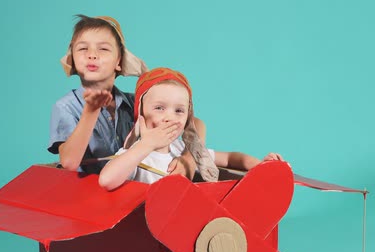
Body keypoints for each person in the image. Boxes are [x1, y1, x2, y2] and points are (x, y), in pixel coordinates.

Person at [48, 15, 201, 176]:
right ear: (73, 57)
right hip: (89, 193)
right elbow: (69, 163)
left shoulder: (134, 101)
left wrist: (189, 157)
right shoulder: (66, 107)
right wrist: (91, 111)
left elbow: (196, 124)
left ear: (119, 61)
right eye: (83, 48)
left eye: (103, 49)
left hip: (134, 190)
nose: (92, 54)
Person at [99, 67, 286, 191]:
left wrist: (263, 166)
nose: (169, 117)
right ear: (140, 113)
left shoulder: (181, 149)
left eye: (179, 110)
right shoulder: (135, 154)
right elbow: (106, 180)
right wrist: (145, 145)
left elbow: (231, 158)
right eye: (159, 108)